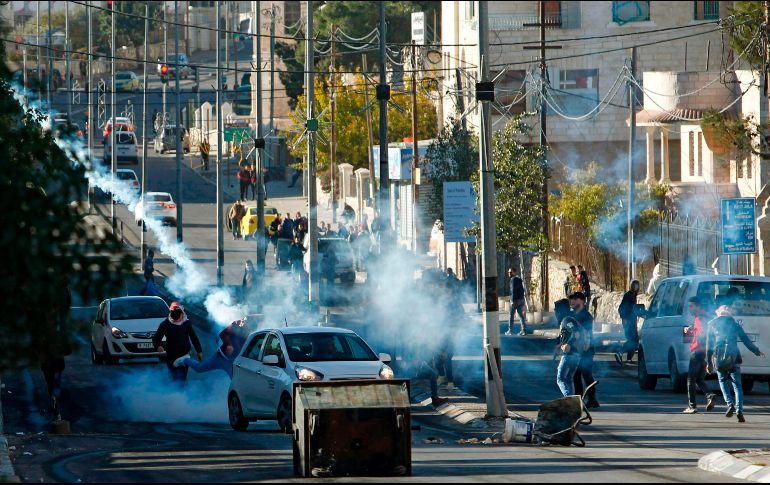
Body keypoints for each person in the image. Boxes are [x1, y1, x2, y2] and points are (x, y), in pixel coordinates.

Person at [706, 303, 765, 423]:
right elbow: (745, 340)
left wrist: (709, 363)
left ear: (718, 312)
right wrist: (757, 351)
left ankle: (730, 404)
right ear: (729, 313)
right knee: (737, 385)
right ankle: (739, 410)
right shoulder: (734, 324)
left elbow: (709, 346)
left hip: (719, 358)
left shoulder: (711, 324)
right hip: (734, 357)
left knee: (722, 381)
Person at [174, 315, 252, 378]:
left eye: (245, 322)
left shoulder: (252, 335)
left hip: (231, 364)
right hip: (219, 357)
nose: (242, 322)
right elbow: (219, 337)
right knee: (199, 368)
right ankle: (185, 360)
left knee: (235, 385)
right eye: (243, 321)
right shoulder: (236, 324)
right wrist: (228, 345)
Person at [683, 296, 718, 414]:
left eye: (691, 306)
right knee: (699, 379)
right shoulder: (707, 316)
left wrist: (699, 344)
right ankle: (710, 395)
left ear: (698, 306)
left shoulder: (699, 318)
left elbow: (703, 334)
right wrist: (692, 330)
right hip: (705, 353)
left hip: (698, 351)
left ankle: (692, 406)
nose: (689, 309)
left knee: (690, 379)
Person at [153, 302, 203, 384]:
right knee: (173, 378)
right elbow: (156, 338)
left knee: (181, 379)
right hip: (171, 356)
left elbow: (194, 337)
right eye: (174, 316)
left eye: (178, 316)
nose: (176, 319)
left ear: (182, 314)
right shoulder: (165, 324)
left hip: (184, 355)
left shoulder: (186, 323)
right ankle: (172, 394)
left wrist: (199, 351)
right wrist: (158, 346)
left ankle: (180, 394)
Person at [570, 292, 600, 408]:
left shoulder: (587, 316)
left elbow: (584, 332)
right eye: (571, 299)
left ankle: (590, 399)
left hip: (586, 349)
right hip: (576, 349)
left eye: (575, 299)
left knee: (585, 374)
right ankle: (581, 400)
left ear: (582, 301)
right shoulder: (572, 315)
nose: (572, 301)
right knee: (577, 375)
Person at [556, 316, 584, 397]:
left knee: (560, 379)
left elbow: (576, 333)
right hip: (576, 355)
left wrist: (569, 344)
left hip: (570, 355)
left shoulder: (566, 320)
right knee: (568, 378)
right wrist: (559, 346)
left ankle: (568, 397)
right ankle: (572, 399)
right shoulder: (569, 322)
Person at [617, 280, 641, 364]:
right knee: (633, 340)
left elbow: (633, 308)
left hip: (632, 321)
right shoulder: (628, 295)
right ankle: (620, 351)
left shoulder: (634, 295)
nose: (636, 287)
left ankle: (628, 359)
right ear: (631, 286)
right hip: (628, 321)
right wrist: (624, 318)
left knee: (634, 340)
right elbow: (621, 308)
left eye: (637, 285)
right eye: (635, 285)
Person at [505, 267, 527, 336]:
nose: (509, 273)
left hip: (515, 300)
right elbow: (522, 289)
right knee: (520, 315)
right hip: (521, 299)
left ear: (514, 272)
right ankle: (523, 330)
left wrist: (512, 301)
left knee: (511, 315)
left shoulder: (513, 280)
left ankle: (510, 330)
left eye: (510, 272)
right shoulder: (519, 279)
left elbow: (513, 291)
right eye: (508, 272)